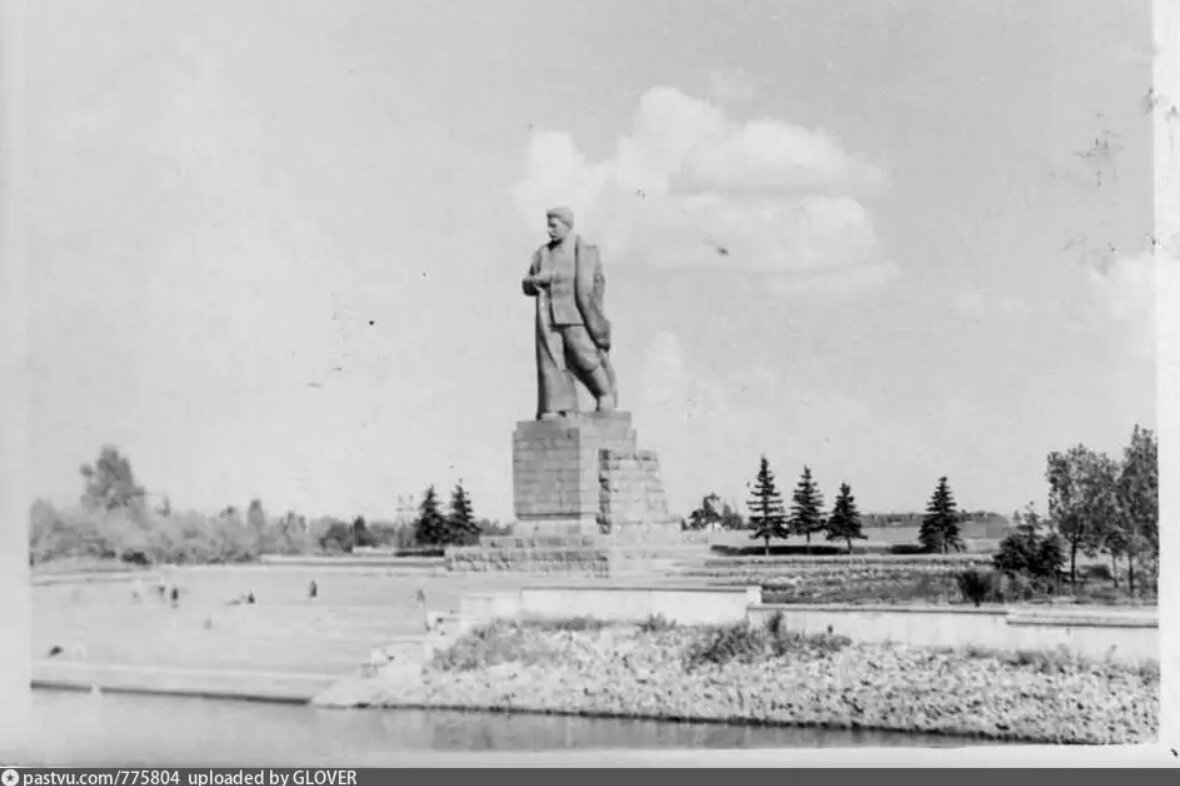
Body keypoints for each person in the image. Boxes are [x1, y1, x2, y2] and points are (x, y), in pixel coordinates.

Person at [522, 207, 617, 419]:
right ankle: (555, 407)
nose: (549, 230)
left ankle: (604, 394)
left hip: (574, 315)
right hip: (549, 317)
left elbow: (596, 283)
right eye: (548, 225)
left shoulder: (583, 250)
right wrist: (535, 281)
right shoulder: (543, 253)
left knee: (585, 356)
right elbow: (526, 284)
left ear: (566, 225)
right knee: (551, 362)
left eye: (553, 225)